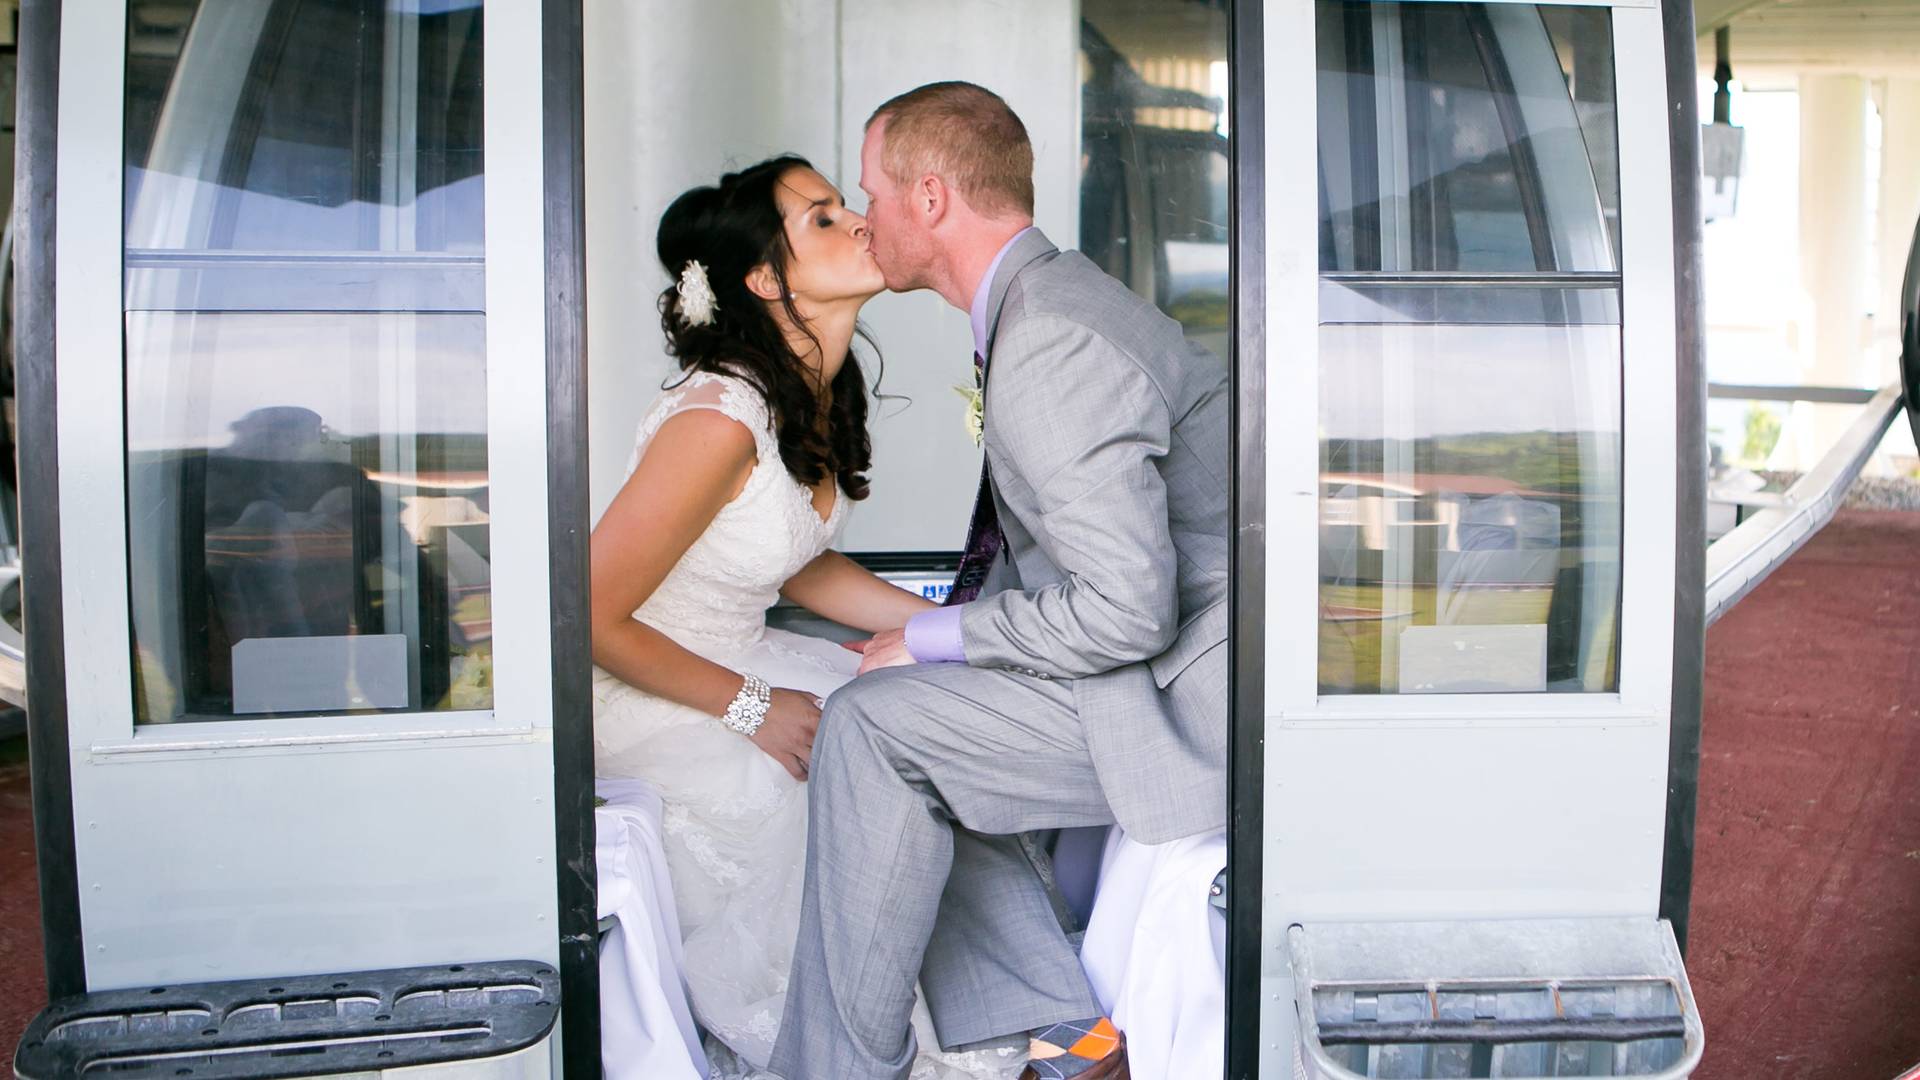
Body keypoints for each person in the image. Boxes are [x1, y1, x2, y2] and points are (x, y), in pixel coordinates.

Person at [770, 82, 1230, 1080]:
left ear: (930, 199)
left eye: (871, 194)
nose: (864, 217)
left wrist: (941, 637)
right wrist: (934, 644)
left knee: (871, 729)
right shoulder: (1049, 303)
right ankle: (1067, 1035)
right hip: (1163, 667)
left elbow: (1127, 608)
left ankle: (838, 1071)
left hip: (1184, 705)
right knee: (915, 709)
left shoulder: (1052, 339)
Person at [589, 155, 1023, 1080]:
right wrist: (750, 707)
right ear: (762, 278)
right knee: (836, 780)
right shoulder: (717, 420)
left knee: (930, 724)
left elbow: (797, 559)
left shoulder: (809, 390)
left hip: (745, 653)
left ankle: (992, 1012)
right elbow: (585, 616)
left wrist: (959, 635)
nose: (859, 220)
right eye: (822, 218)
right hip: (653, 688)